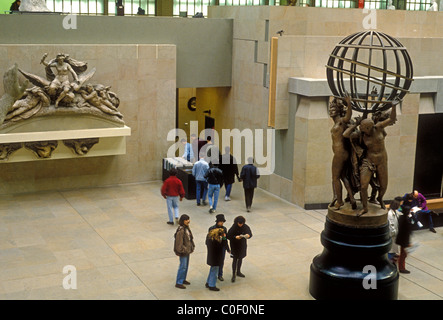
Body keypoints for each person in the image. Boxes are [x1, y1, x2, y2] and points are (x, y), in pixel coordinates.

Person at [227, 216, 252, 283]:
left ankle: (238, 271)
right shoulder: (233, 228)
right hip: (235, 246)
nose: (241, 224)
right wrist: (235, 237)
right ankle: (233, 274)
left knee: (240, 258)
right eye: (239, 223)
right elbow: (228, 236)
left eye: (242, 223)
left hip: (242, 245)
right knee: (235, 259)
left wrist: (248, 235)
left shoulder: (245, 226)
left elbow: (250, 233)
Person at [174, 214, 195, 289]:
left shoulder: (186, 228)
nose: (188, 221)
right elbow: (179, 243)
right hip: (184, 252)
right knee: (183, 266)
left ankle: (183, 279)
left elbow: (190, 238)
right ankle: (179, 282)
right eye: (186, 220)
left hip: (187, 250)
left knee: (185, 266)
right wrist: (184, 250)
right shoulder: (181, 230)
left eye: (188, 219)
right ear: (183, 221)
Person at [208, 214, 231, 281]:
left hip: (222, 248)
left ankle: (220, 274)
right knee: (214, 263)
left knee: (221, 261)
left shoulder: (224, 229)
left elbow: (225, 239)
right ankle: (213, 276)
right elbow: (209, 240)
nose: (222, 223)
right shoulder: (212, 229)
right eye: (220, 221)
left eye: (223, 222)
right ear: (217, 221)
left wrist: (227, 248)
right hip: (214, 248)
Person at [395, 200, 414, 274]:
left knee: (403, 253)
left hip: (401, 239)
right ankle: (401, 268)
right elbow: (408, 230)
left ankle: (396, 262)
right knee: (404, 254)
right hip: (404, 240)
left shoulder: (401, 217)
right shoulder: (407, 220)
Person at [387, 196, 403, 264]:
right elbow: (391, 225)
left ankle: (392, 258)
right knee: (391, 248)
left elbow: (400, 214)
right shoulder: (390, 214)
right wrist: (394, 232)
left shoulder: (395, 211)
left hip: (395, 233)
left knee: (394, 248)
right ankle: (389, 261)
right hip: (392, 234)